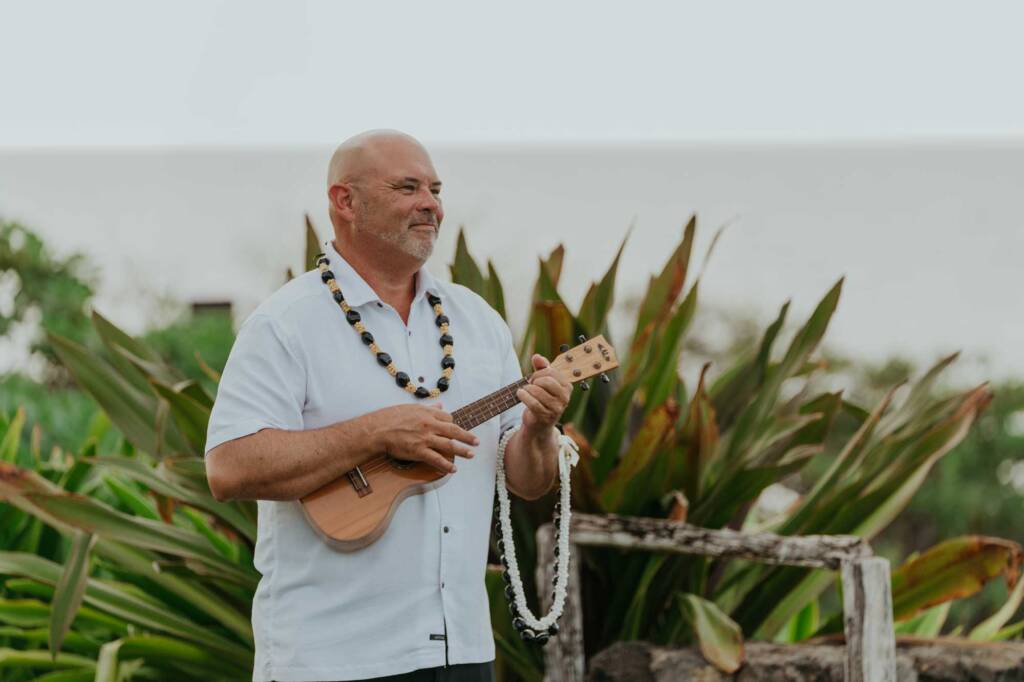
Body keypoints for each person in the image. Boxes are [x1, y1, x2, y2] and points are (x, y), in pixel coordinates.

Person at [204, 130, 572, 682]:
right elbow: (228, 468)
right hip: (331, 659)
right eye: (407, 187)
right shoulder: (285, 324)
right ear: (345, 201)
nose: (430, 204)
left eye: (435, 189)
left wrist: (539, 429)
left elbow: (527, 481)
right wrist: (374, 432)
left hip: (461, 650)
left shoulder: (478, 322)